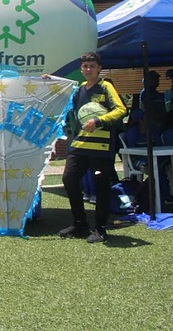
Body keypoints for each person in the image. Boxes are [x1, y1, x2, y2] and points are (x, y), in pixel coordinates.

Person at [59, 52, 126, 243]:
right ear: (81, 69)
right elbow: (64, 92)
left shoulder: (106, 87)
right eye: (85, 66)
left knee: (101, 187)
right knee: (69, 179)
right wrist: (50, 83)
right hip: (79, 145)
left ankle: (100, 229)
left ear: (99, 68)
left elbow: (121, 110)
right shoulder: (80, 89)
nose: (88, 69)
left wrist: (98, 121)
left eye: (92, 66)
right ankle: (80, 224)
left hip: (101, 147)